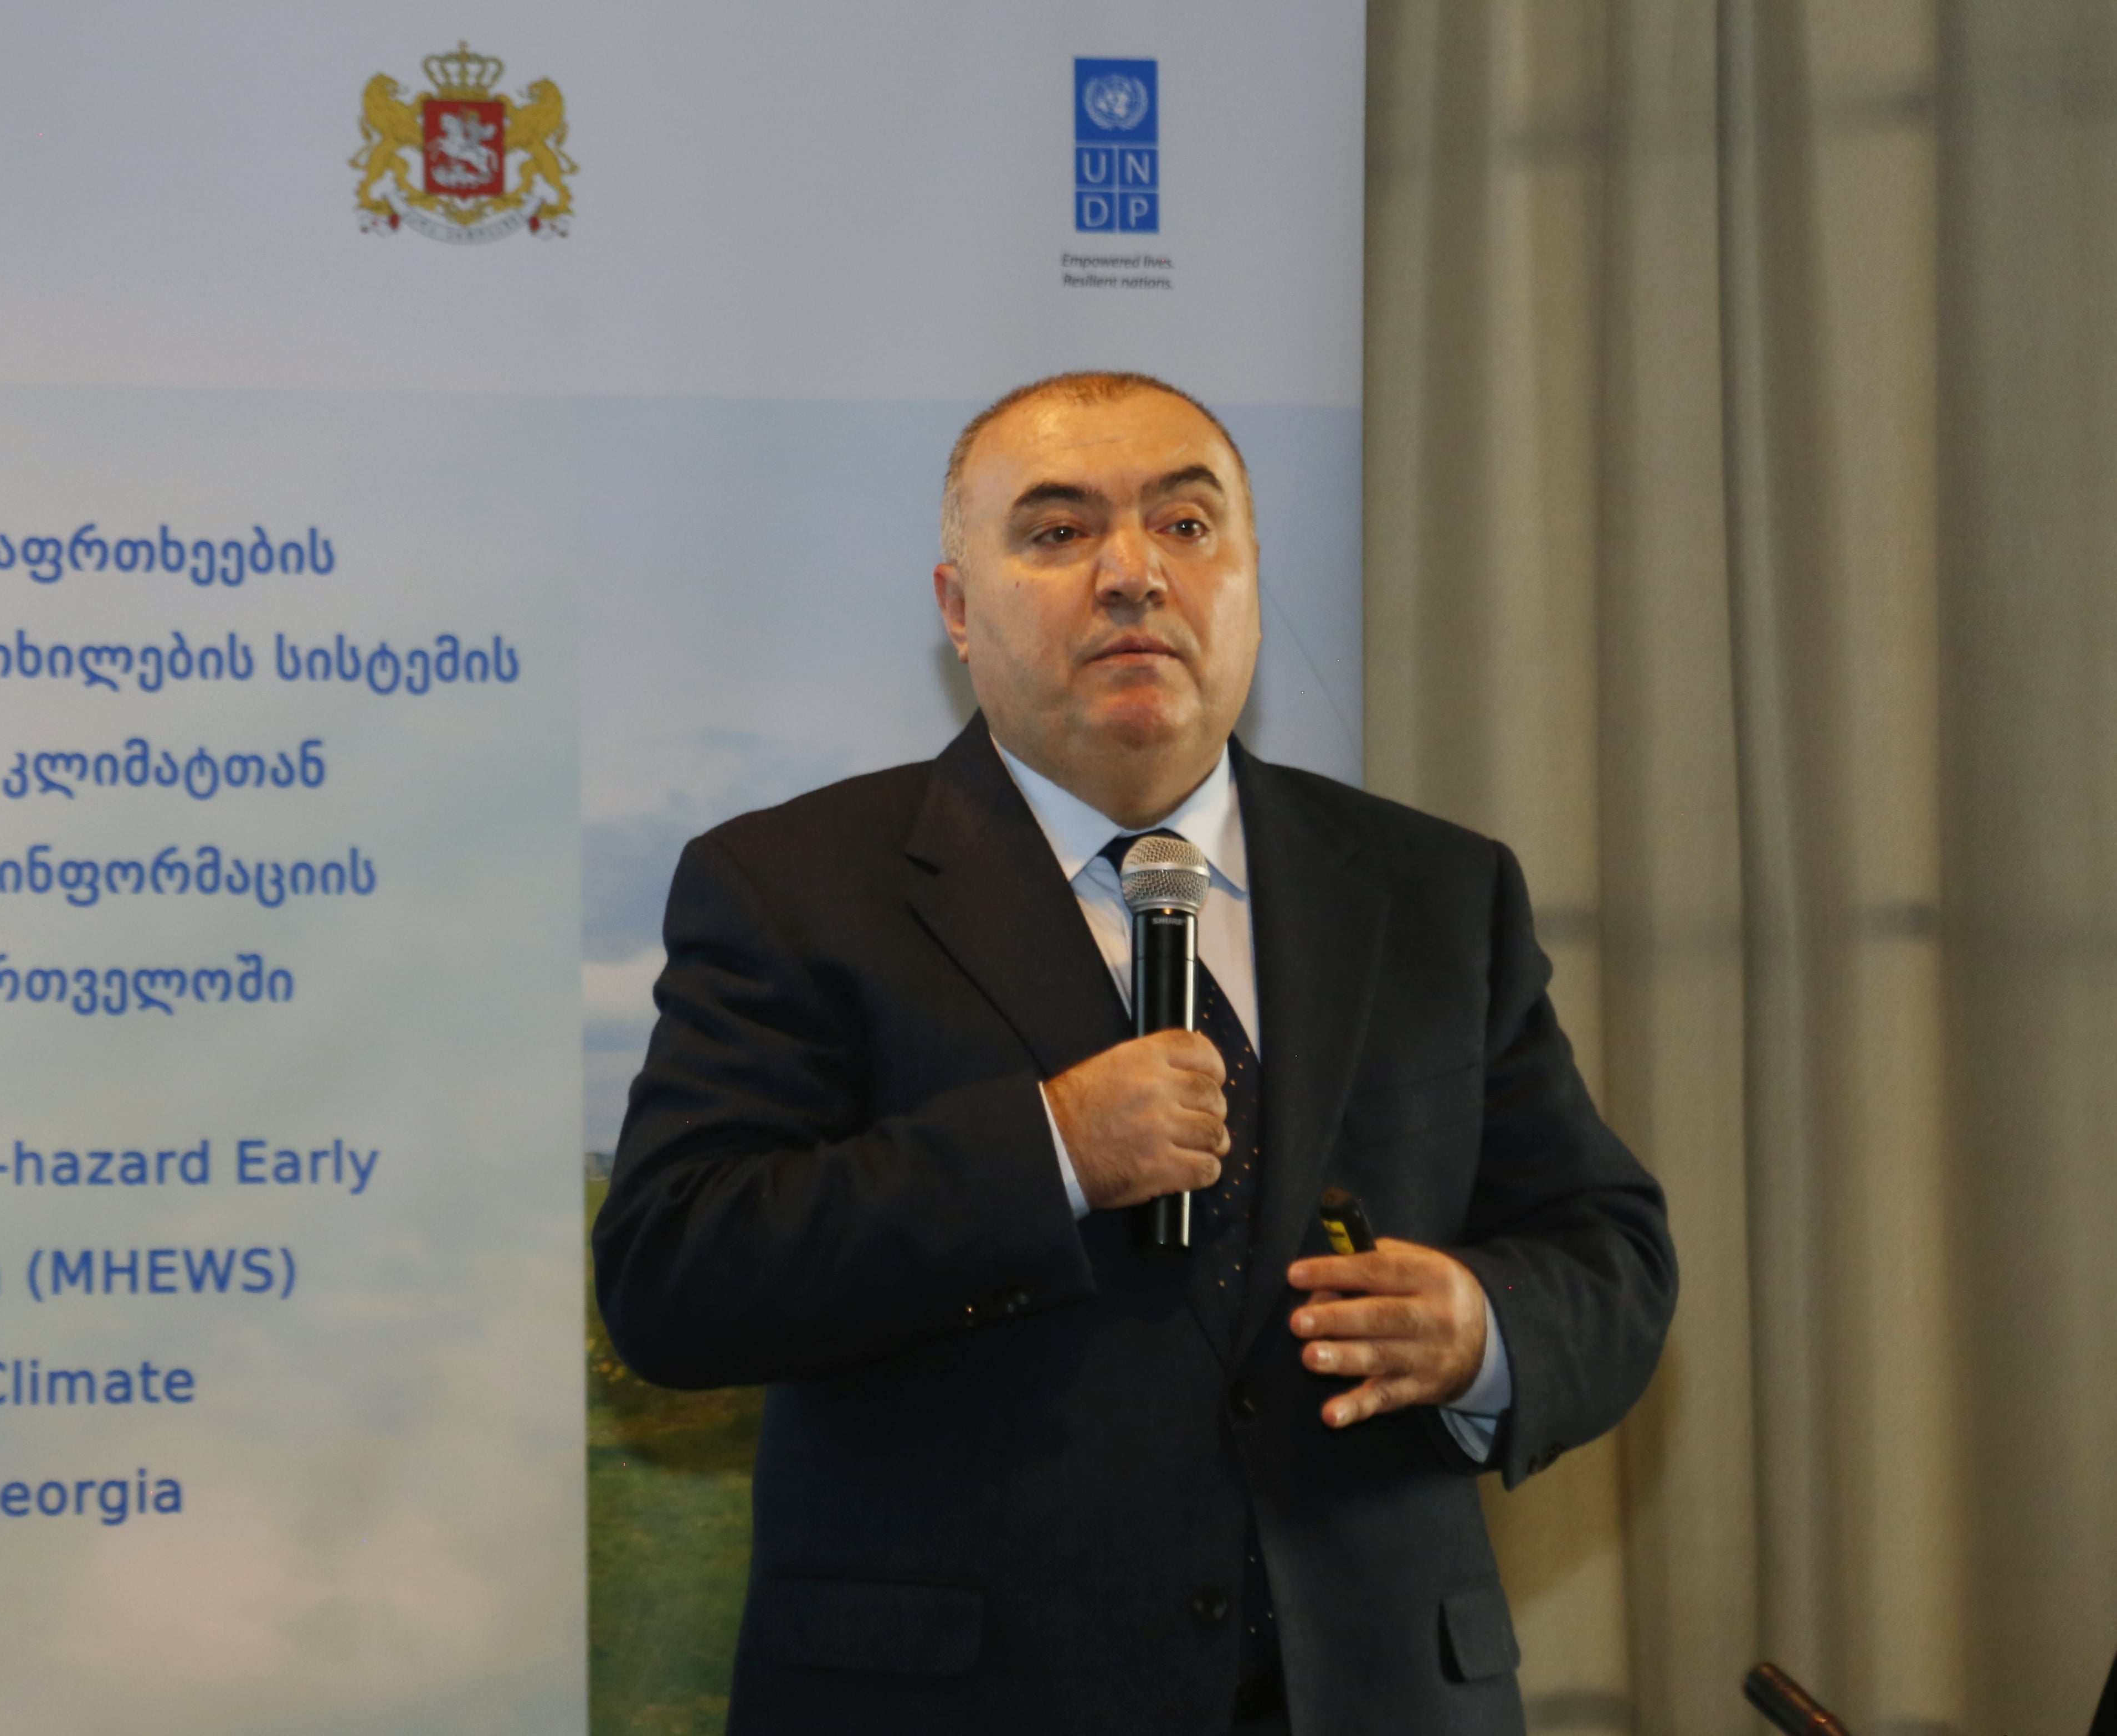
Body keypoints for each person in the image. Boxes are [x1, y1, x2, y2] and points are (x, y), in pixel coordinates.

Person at [592, 372, 1677, 1735]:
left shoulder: (1432, 890)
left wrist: (1484, 1324)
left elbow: (1609, 1251)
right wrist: (1048, 1147)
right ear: (957, 609)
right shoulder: (796, 885)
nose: (1132, 573)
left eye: (1185, 524)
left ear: (1250, 580)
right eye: (1058, 532)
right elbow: (676, 1271)